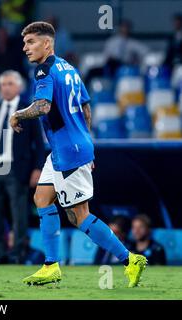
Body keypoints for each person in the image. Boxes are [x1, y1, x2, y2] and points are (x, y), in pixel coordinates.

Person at [9, 21, 147, 287]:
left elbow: (43, 106)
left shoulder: (44, 70)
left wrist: (18, 114)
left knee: (78, 215)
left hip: (68, 150)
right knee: (42, 197)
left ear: (46, 43)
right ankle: (51, 265)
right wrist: (86, 142)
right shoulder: (70, 68)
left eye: (30, 42)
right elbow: (85, 107)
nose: (25, 48)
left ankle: (130, 260)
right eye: (24, 43)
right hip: (68, 147)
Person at [0, 70, 45, 265]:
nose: (5, 88)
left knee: (19, 214)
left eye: (9, 84)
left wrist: (37, 168)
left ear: (18, 87)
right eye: (3, 84)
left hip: (17, 169)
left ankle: (17, 254)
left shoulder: (28, 111)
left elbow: (38, 143)